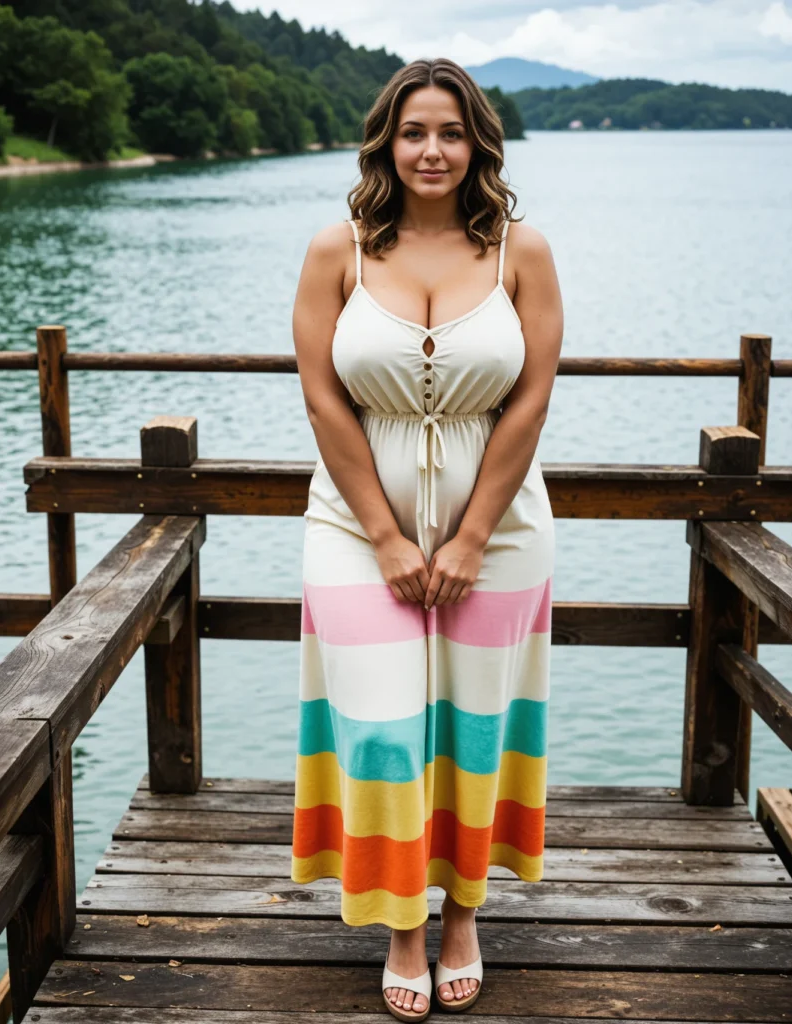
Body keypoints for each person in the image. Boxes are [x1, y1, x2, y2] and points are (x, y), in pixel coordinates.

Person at [290, 56, 563, 1022]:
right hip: (353, 529)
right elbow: (324, 398)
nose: (432, 150)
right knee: (385, 733)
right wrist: (388, 537)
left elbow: (531, 398)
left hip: (504, 529)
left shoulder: (521, 251)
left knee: (475, 735)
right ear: (386, 142)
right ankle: (402, 921)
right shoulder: (340, 249)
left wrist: (470, 536)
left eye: (451, 132)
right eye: (414, 132)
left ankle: (461, 915)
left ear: (478, 142)